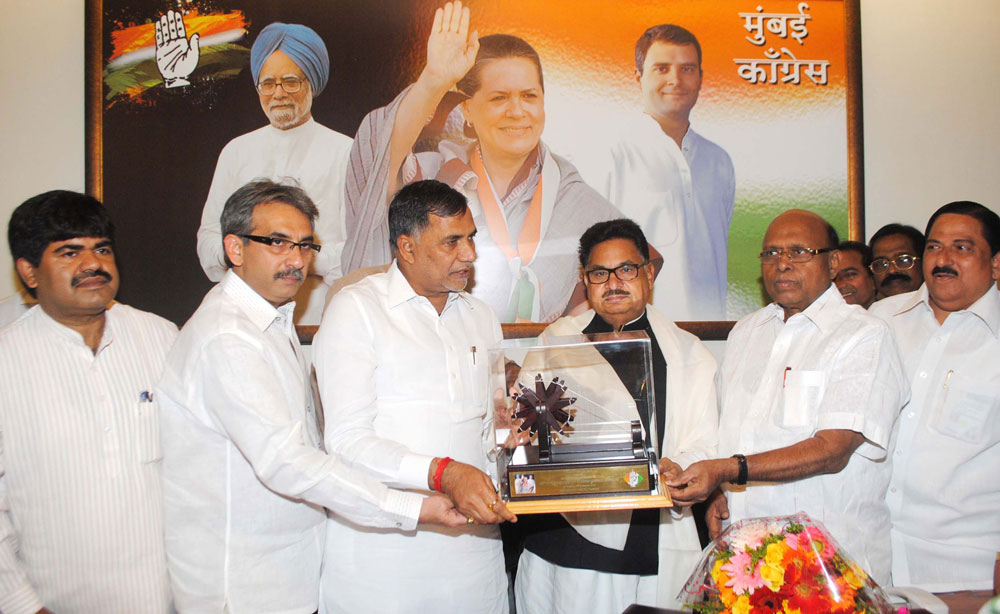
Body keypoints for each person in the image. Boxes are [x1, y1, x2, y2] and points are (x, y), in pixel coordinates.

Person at [158, 180, 466, 612]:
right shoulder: (226, 337)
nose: (296, 260)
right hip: (240, 588)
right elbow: (287, 462)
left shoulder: (271, 321)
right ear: (235, 248)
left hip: (290, 575)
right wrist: (413, 507)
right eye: (277, 243)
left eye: (305, 246)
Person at [665, 209, 908, 585]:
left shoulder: (864, 335)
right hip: (746, 566)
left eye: (799, 252)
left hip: (830, 569)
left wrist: (728, 470)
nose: (782, 264)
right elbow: (726, 434)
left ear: (833, 263)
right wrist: (703, 481)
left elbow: (832, 449)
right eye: (771, 254)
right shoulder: (747, 332)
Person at [341, 1, 620, 322]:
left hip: (537, 368)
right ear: (468, 111)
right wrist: (433, 81)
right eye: (499, 98)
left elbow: (622, 285)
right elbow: (378, 154)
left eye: (529, 96)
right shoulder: (434, 178)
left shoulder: (576, 199)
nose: (517, 111)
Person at [315, 179, 517, 613]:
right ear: (406, 247)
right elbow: (347, 442)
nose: (470, 254)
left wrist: (514, 437)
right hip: (384, 563)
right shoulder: (356, 310)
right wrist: (445, 473)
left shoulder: (481, 317)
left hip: (474, 557)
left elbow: (490, 430)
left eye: (471, 239)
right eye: (452, 242)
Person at [514, 219, 718, 612]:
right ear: (585, 279)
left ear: (649, 273)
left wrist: (680, 466)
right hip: (564, 536)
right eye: (600, 273)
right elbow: (527, 432)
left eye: (626, 269)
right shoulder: (556, 342)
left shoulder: (690, 354)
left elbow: (706, 442)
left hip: (649, 534)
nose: (614, 283)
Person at [0, 191, 177, 613]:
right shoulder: (6, 361)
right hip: (53, 602)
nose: (93, 264)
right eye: (69, 252)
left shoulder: (162, 338)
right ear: (29, 272)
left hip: (170, 599)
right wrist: (23, 605)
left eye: (102, 249)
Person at [869, 201, 1000, 592]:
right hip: (870, 558)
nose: (942, 259)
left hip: (965, 569)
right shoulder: (880, 320)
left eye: (962, 248)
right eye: (933, 247)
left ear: (995, 263)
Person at [571, 24, 735, 321]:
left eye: (687, 68)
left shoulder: (719, 161)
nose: (675, 79)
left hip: (713, 335)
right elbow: (587, 255)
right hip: (639, 334)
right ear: (638, 77)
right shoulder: (610, 153)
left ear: (700, 78)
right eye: (661, 68)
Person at [196, 22, 352, 324]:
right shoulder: (236, 152)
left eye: (290, 81)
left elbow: (355, 251)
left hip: (320, 319)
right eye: (268, 83)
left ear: (311, 84)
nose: (278, 94)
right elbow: (208, 241)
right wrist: (252, 257)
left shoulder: (345, 152)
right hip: (241, 318)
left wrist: (292, 257)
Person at [869, 223, 926, 299]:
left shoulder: (943, 308)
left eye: (903, 260)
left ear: (923, 262)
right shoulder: (872, 310)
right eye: (881, 264)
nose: (892, 270)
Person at [834, 240, 877, 308]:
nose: (840, 285)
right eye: (833, 279)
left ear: (873, 279)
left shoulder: (893, 316)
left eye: (849, 275)